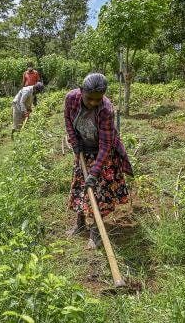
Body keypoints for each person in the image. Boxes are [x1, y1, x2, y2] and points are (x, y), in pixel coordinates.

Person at [64, 73, 134, 250]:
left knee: (98, 191)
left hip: (104, 153)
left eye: (98, 99)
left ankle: (96, 231)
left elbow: (105, 145)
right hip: (83, 149)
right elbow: (68, 120)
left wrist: (94, 173)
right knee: (80, 186)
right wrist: (74, 142)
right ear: (81, 91)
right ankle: (80, 224)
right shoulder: (71, 99)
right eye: (90, 99)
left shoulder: (106, 109)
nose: (94, 103)